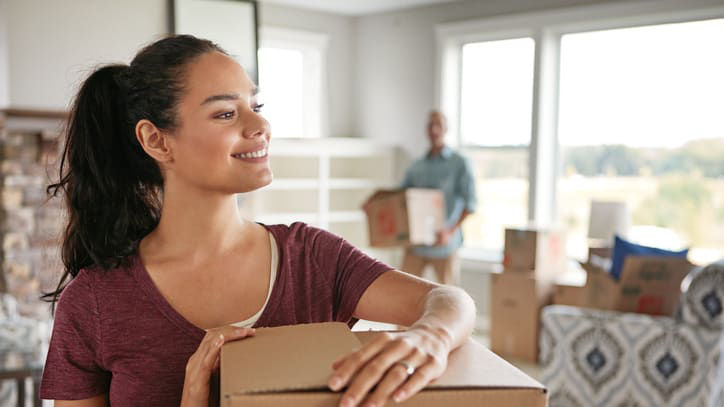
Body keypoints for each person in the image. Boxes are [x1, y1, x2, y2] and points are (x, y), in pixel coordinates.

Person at [37, 35, 475, 407]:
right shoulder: (94, 302)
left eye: (255, 104)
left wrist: (429, 338)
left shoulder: (313, 258)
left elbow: (448, 300)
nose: (260, 123)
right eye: (226, 113)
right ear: (156, 140)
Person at [400, 111, 477, 286]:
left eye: (439, 125)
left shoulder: (459, 164)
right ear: (425, 130)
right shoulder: (416, 166)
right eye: (430, 125)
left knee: (450, 299)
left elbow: (470, 204)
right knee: (403, 291)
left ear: (446, 129)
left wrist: (449, 232)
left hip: (445, 246)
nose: (434, 130)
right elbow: (399, 197)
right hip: (416, 245)